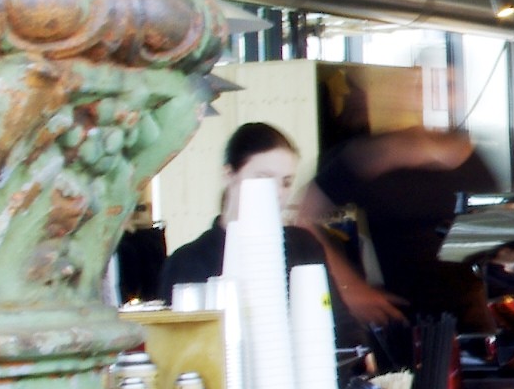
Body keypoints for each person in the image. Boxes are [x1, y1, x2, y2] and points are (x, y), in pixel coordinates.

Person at [299, 126, 495, 328]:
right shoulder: (365, 156)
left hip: (472, 312)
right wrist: (347, 287)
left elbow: (492, 229)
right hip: (401, 316)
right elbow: (302, 220)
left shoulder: (468, 153)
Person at [161, 123, 332, 298]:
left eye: (286, 182)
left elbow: (335, 313)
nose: (278, 192)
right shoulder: (187, 262)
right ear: (229, 175)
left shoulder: (304, 248)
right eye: (264, 178)